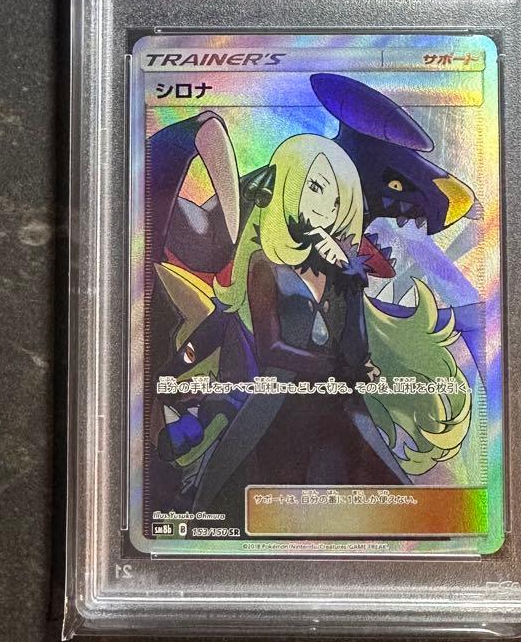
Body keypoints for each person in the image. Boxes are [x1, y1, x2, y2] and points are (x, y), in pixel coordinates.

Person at [192, 133, 471, 517]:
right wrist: (335, 368)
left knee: (388, 507)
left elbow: (356, 349)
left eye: (337, 200)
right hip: (279, 408)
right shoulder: (264, 265)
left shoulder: (341, 272)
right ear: (289, 186)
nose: (325, 208)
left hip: (339, 408)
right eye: (316, 189)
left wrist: (349, 280)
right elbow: (271, 350)